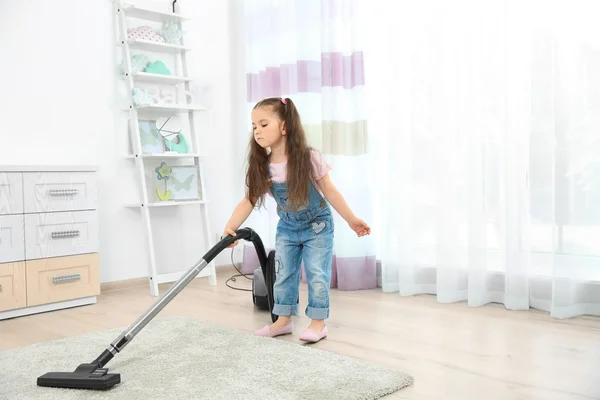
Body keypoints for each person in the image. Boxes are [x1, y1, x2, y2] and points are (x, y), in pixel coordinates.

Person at [222, 96, 371, 343]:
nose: (257, 131)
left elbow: (330, 191)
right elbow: (248, 200)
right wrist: (231, 227)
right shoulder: (263, 166)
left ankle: (318, 323)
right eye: (254, 126)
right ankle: (282, 321)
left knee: (316, 273)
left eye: (263, 124)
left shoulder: (307, 157)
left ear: (284, 126)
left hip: (318, 226)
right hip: (288, 228)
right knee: (283, 273)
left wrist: (351, 219)